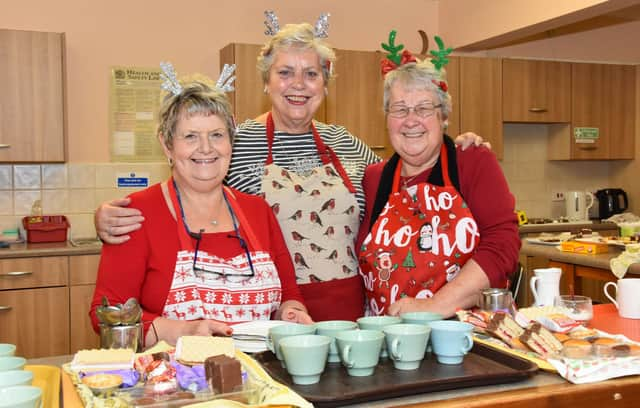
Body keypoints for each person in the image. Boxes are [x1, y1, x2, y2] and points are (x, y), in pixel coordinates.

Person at [93, 14, 485, 322]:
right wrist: (107, 216)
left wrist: (451, 147)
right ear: (266, 82)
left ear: (325, 85)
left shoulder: (346, 144)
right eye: (285, 72)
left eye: (311, 73)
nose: (298, 84)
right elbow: (186, 189)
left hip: (352, 312)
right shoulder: (232, 142)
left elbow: (406, 180)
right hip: (271, 313)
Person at [90, 63, 311, 347]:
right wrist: (180, 331)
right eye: (190, 136)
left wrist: (293, 313)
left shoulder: (258, 211)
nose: (206, 148)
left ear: (231, 141)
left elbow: (289, 296)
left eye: (217, 135)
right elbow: (107, 315)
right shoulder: (136, 214)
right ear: (167, 145)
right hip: (173, 380)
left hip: (263, 376)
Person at [356, 32, 520, 318]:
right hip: (391, 339)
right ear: (386, 118)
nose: (410, 120)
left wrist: (433, 307)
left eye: (423, 109)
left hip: (467, 337)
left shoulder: (472, 161)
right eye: (399, 109)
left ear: (443, 117)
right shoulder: (374, 178)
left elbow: (502, 246)